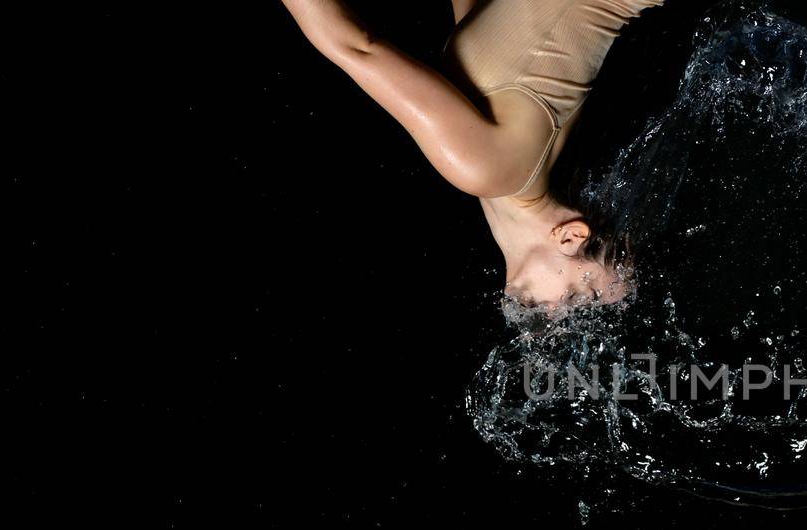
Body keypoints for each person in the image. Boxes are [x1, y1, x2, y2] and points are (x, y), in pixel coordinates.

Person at [280, 0, 666, 308]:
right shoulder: (484, 169)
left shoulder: (507, 163)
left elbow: (483, 20)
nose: (561, 319)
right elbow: (355, 47)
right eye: (583, 298)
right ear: (570, 238)